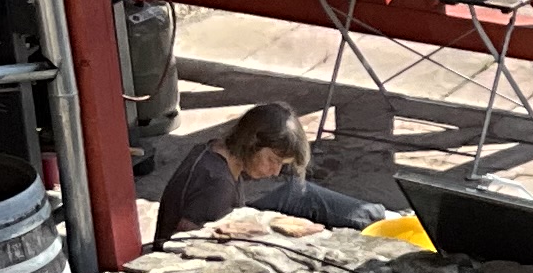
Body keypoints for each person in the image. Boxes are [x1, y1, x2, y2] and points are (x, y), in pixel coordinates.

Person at [156, 103, 384, 244]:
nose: (275, 172)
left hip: (224, 216)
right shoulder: (217, 184)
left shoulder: (214, 149)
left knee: (297, 192)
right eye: (272, 160)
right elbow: (187, 237)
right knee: (299, 199)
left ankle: (379, 218)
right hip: (205, 237)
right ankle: (378, 221)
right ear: (251, 143)